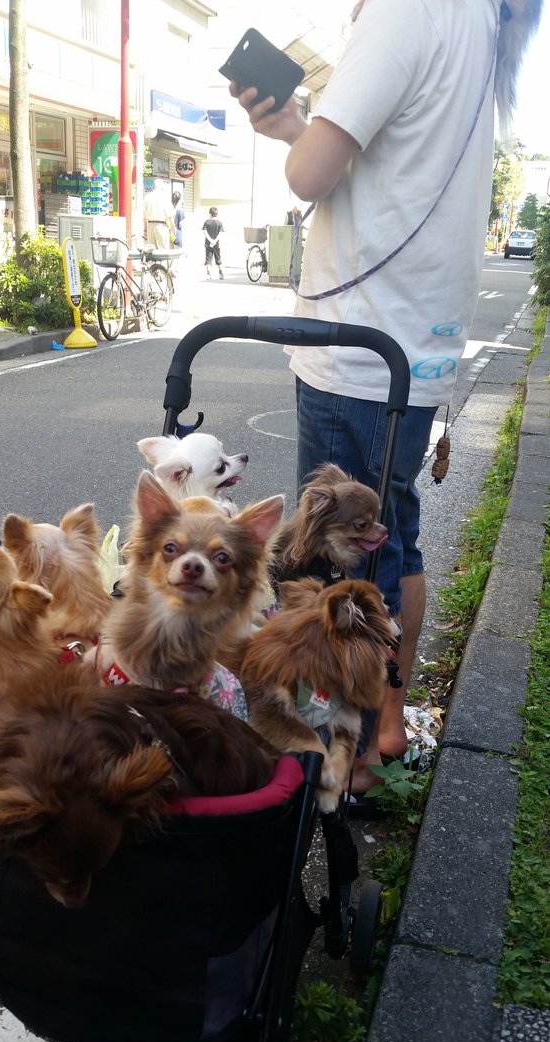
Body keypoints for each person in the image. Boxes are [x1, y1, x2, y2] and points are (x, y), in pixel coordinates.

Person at [230, 0, 543, 794]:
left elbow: (311, 172)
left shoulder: (408, 8)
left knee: (335, 553)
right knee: (391, 533)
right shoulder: (478, 20)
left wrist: (290, 124)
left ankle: (350, 751)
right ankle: (384, 728)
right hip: (412, 340)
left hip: (357, 340)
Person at [143, 180, 175, 250]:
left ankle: (150, 261)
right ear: (161, 187)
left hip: (150, 226)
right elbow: (170, 216)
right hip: (161, 226)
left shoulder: (147, 197)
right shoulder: (164, 197)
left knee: (150, 251)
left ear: (154, 186)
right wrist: (173, 228)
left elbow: (144, 216)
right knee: (163, 250)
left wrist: (145, 230)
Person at [203, 206, 224, 279]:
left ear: (210, 214)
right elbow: (220, 234)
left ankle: (208, 274)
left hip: (208, 244)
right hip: (217, 244)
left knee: (208, 259)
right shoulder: (219, 223)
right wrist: (214, 241)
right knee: (218, 258)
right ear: (216, 214)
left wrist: (210, 240)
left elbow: (204, 232)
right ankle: (220, 273)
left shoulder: (207, 222)